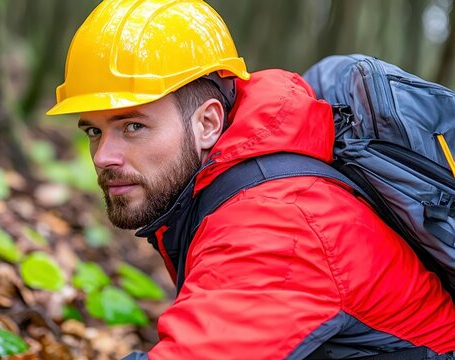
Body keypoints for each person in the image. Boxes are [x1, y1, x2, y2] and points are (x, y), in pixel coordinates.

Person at [46, 0, 455, 359]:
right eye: (93, 131)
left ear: (208, 123)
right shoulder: (236, 182)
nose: (103, 157)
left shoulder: (280, 223)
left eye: (133, 126)